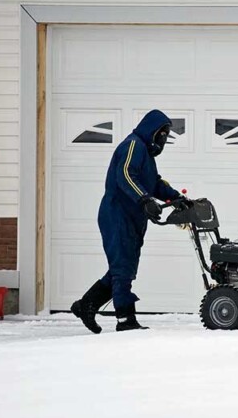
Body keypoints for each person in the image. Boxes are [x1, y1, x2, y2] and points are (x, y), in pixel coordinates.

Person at [71, 109, 185, 333]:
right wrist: (144, 199)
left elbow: (155, 183)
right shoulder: (133, 145)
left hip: (133, 218)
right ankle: (125, 319)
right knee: (122, 268)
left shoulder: (147, 156)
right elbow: (125, 174)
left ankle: (86, 305)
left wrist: (176, 198)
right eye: (162, 133)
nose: (164, 139)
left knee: (123, 269)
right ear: (152, 130)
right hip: (117, 215)